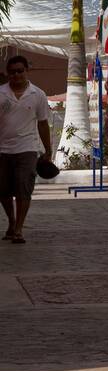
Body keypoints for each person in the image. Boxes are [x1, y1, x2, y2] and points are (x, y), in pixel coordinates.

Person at [0, 55, 53, 244]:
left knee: (24, 189)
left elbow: (43, 124)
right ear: (8, 74)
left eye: (20, 71)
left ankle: (19, 229)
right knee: (3, 191)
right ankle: (12, 221)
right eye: (13, 72)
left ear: (26, 71)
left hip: (28, 149)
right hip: (3, 150)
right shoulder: (1, 93)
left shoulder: (37, 94)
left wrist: (48, 149)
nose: (16, 75)